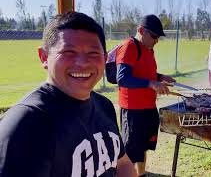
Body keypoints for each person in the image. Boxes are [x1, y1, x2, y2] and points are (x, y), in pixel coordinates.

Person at [0, 12, 136, 177]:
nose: (83, 63)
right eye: (68, 52)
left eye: (93, 53)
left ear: (105, 58)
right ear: (44, 57)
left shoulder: (104, 105)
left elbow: (122, 163)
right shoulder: (27, 123)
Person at [116, 14, 176, 176]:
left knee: (142, 147)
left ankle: (141, 175)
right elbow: (122, 78)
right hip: (133, 111)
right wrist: (151, 84)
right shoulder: (129, 47)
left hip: (148, 108)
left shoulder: (149, 50)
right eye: (154, 36)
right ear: (141, 30)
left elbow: (144, 73)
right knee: (130, 152)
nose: (157, 40)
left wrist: (160, 77)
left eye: (158, 37)